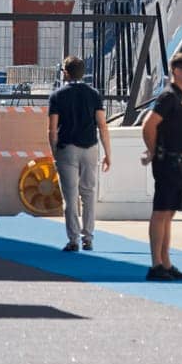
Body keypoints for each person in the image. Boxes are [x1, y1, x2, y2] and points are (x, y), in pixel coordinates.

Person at [47, 56, 112, 252]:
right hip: (90, 148)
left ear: (65, 72)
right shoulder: (93, 94)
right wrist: (108, 153)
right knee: (89, 193)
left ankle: (73, 239)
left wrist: (54, 151)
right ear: (83, 72)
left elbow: (51, 128)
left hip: (67, 149)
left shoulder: (57, 96)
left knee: (70, 196)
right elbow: (102, 124)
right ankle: (88, 237)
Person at [141, 52, 182, 281]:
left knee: (170, 212)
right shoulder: (168, 97)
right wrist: (154, 151)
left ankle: (166, 261)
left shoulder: (181, 97)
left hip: (179, 161)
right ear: (176, 71)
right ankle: (156, 264)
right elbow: (149, 124)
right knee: (161, 211)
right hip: (168, 161)